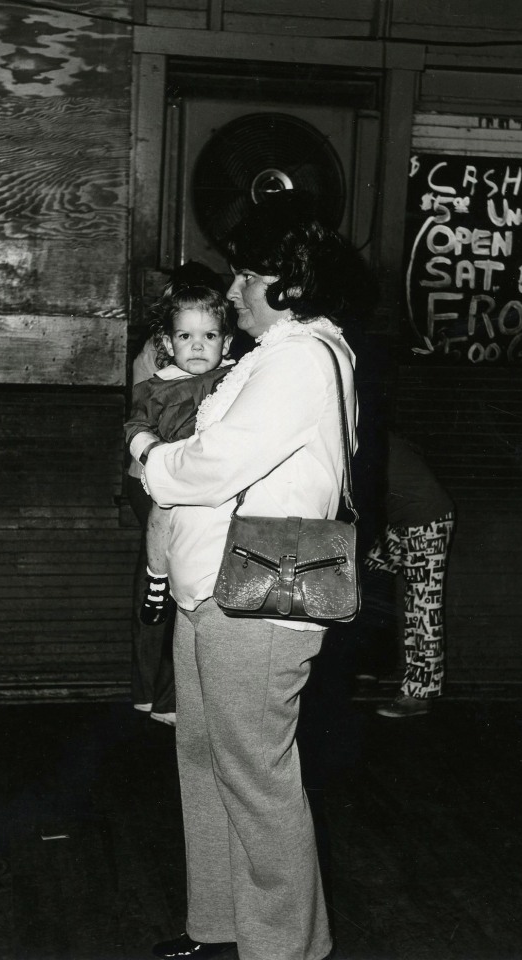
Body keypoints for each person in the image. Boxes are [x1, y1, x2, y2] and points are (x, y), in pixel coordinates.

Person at [135, 193, 375, 960]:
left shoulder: (302, 358)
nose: (232, 291)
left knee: (257, 780)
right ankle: (221, 926)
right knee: (206, 761)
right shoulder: (283, 354)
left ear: (287, 283)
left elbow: (214, 465)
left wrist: (147, 455)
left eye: (244, 277)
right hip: (218, 590)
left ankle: (285, 948)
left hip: (261, 603)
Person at [124, 262, 235, 725]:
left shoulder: (232, 373)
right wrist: (152, 452)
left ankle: (162, 693)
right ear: (169, 339)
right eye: (186, 334)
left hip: (193, 480)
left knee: (187, 579)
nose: (197, 344)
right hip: (161, 477)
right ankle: (163, 693)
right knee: (166, 559)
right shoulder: (159, 378)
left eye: (208, 335)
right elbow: (136, 421)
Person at [366, 432, 455, 718]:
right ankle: (368, 663)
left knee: (422, 607)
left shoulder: (365, 438)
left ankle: (419, 694)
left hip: (425, 520)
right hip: (401, 520)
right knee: (362, 577)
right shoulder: (366, 433)